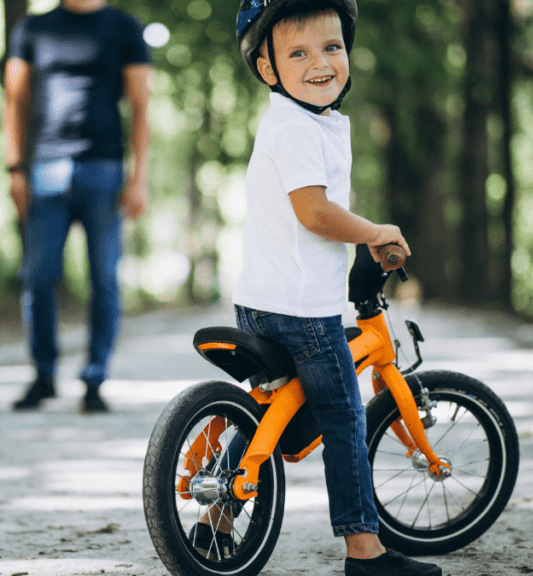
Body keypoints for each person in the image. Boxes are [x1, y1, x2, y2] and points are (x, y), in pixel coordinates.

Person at [193, 1, 442, 574]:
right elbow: (314, 212)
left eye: (331, 47)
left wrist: (356, 253)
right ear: (268, 70)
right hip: (302, 313)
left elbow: (311, 223)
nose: (320, 63)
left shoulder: (307, 121)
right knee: (345, 417)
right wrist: (375, 232)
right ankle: (366, 551)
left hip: (264, 301)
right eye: (298, 53)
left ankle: (215, 519)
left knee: (271, 414)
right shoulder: (296, 126)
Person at [2, 0, 151, 413]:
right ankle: (44, 374)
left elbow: (141, 105)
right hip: (45, 168)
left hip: (104, 169)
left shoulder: (124, 27)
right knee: (38, 276)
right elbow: (15, 100)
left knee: (104, 278)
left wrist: (139, 178)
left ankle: (94, 378)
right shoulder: (33, 28)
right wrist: (15, 168)